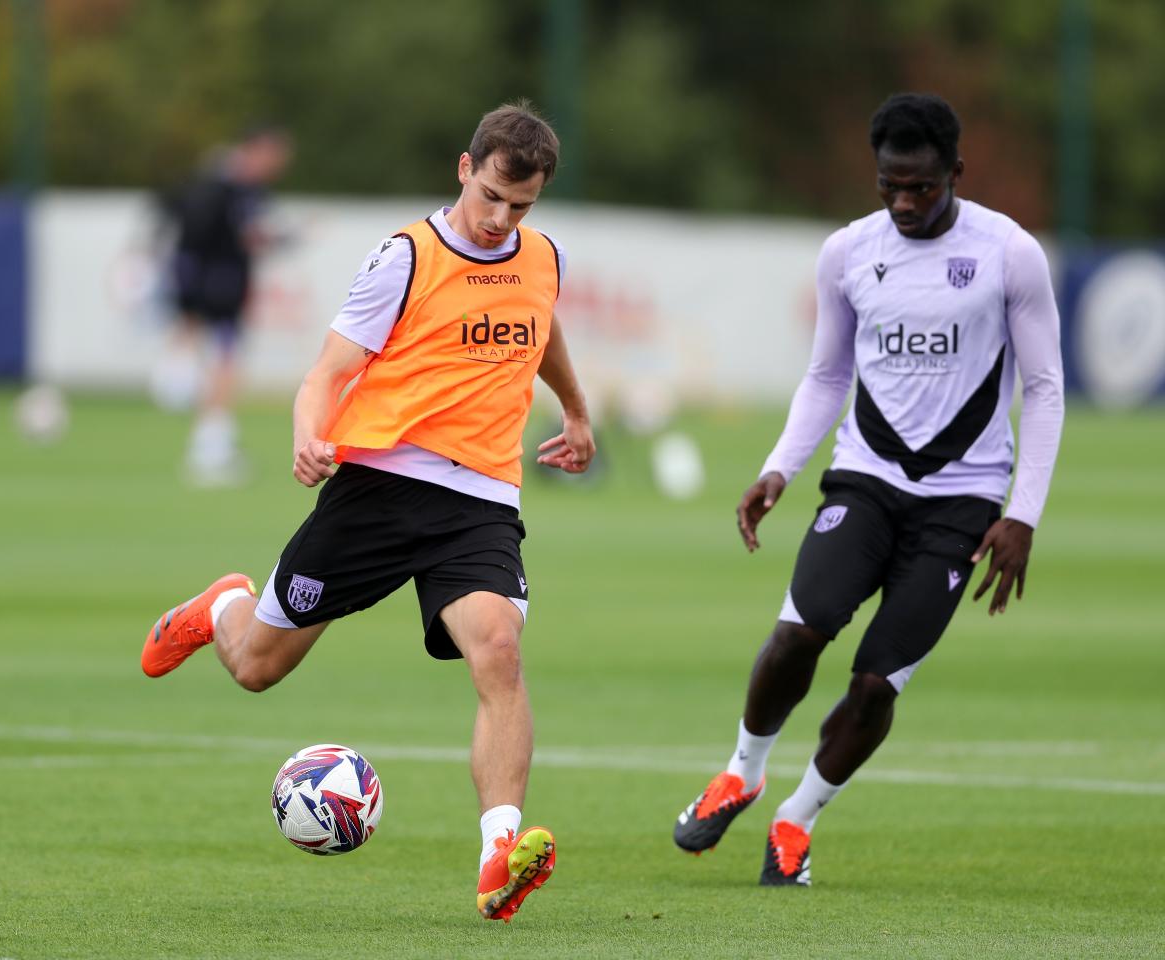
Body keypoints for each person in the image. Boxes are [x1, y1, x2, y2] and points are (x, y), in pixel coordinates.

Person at [141, 101, 594, 921]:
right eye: (492, 196)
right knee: (256, 668)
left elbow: (542, 326)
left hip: (481, 497)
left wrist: (576, 409)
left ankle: (499, 854)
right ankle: (225, 606)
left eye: (521, 206)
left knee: (499, 651)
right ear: (465, 169)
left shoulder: (543, 257)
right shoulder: (405, 258)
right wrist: (308, 438)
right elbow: (327, 370)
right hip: (379, 488)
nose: (501, 220)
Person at [673, 93, 1064, 885]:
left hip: (963, 500)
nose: (905, 202)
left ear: (956, 172)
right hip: (866, 478)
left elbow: (1046, 388)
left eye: (922, 187)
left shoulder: (1009, 254)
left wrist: (1022, 515)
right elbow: (826, 375)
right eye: (891, 186)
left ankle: (797, 818)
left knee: (877, 684)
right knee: (799, 633)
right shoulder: (848, 253)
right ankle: (743, 772)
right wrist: (779, 466)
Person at [158, 125, 293, 484]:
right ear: (257, 149)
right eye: (274, 155)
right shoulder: (220, 187)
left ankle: (212, 440)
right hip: (214, 288)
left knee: (224, 363)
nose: (278, 164)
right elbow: (199, 238)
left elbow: (251, 237)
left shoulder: (247, 190)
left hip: (225, 288)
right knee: (223, 364)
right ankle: (209, 445)